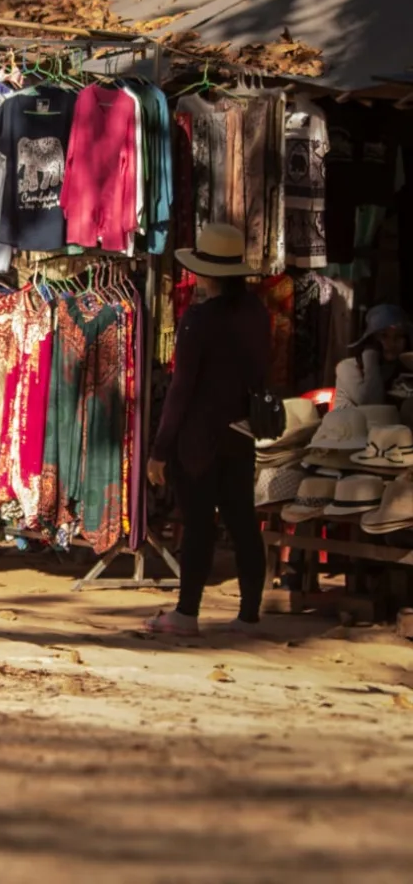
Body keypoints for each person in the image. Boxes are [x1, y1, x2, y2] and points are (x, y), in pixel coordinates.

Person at [146, 222, 273, 636]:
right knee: (242, 522)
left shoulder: (197, 320)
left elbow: (182, 389)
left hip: (198, 437)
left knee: (199, 524)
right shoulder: (256, 312)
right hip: (240, 431)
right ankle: (249, 614)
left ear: (206, 273)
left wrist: (160, 449)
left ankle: (186, 613)